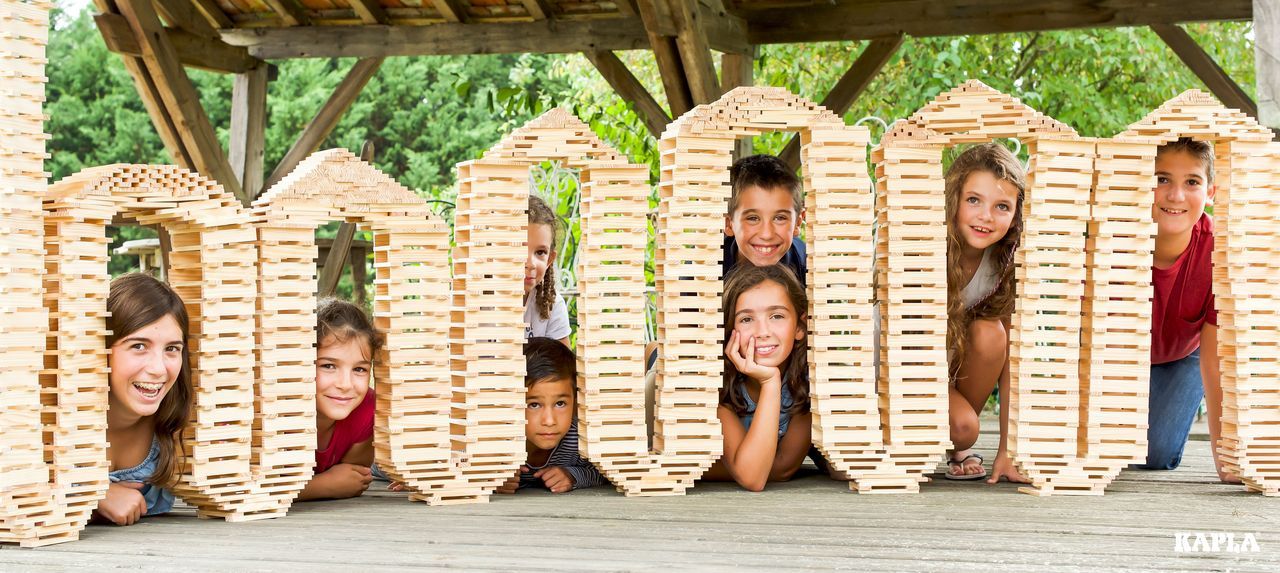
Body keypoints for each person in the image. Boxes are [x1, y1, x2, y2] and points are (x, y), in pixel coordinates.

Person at [1139, 137, 1237, 483]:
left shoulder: (1218, 252)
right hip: (1117, 358)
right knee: (1106, 444)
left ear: (1210, 191)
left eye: (1191, 182)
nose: (1176, 195)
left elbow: (1214, 358)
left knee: (1155, 452)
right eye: (1161, 179)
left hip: (1184, 356)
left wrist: (1227, 458)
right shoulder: (1115, 238)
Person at [941, 143, 1027, 485]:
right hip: (898, 366)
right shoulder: (923, 244)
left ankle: (955, 445)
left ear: (1016, 213)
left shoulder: (1002, 261)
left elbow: (1011, 360)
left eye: (1001, 206)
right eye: (973, 200)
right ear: (953, 199)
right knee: (962, 427)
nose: (986, 216)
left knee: (992, 333)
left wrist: (1007, 448)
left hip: (952, 363)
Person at [704, 264, 816, 492]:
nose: (762, 331)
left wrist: (769, 382)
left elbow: (782, 469)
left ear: (800, 326)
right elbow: (755, 476)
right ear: (728, 329)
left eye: (776, 316)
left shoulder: (809, 382)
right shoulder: (715, 385)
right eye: (746, 319)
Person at [94, 273, 193, 525]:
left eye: (172, 349)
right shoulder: (48, 424)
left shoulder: (180, 429)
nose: (159, 369)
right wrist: (94, 499)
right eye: (138, 346)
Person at [496, 337, 606, 494]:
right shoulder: (496, 440)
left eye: (560, 403)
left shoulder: (580, 440)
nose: (549, 421)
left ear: (576, 403)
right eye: (534, 405)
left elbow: (604, 472)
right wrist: (492, 480)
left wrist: (572, 476)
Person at [298, 298, 382, 500]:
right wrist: (319, 487)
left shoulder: (368, 411)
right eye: (328, 366)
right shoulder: (269, 413)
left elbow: (352, 478)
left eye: (359, 369)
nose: (345, 384)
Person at [525, 195, 570, 346]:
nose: (530, 264)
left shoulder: (552, 305)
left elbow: (563, 367)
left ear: (550, 259)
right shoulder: (478, 304)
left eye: (540, 252)